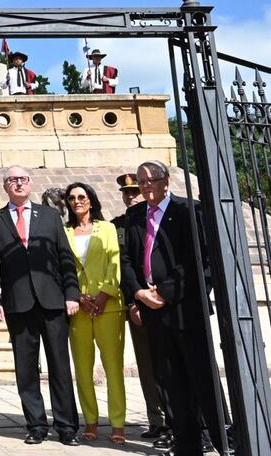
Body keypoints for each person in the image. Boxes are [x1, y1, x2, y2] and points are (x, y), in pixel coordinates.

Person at [120, 161, 226, 456]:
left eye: (150, 180)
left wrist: (164, 292)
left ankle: (223, 440)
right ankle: (186, 443)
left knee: (201, 377)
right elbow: (127, 259)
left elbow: (198, 260)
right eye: (141, 182)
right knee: (170, 381)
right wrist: (139, 293)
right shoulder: (135, 214)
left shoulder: (187, 210)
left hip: (183, 307)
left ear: (166, 181)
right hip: (152, 309)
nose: (145, 186)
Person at [0, 166, 81, 446]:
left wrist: (71, 294)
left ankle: (66, 425)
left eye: (22, 179)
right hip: (17, 303)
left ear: (30, 183)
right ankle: (36, 425)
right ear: (5, 186)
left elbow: (65, 258)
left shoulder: (50, 216)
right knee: (26, 369)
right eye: (12, 180)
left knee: (60, 366)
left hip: (52, 302)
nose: (18, 184)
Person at [63, 182, 126, 444]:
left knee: (113, 367)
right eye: (72, 198)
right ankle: (90, 419)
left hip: (108, 306)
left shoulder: (108, 228)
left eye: (82, 196)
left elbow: (115, 264)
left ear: (91, 200)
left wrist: (102, 296)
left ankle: (118, 422)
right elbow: (62, 267)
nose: (77, 201)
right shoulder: (64, 232)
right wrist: (78, 295)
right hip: (78, 307)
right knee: (82, 367)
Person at [112, 173, 170, 443]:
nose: (131, 196)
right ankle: (157, 419)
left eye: (135, 191)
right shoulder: (118, 225)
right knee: (147, 366)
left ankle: (183, 420)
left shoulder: (164, 216)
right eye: (127, 193)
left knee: (172, 364)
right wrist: (132, 301)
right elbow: (122, 268)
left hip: (167, 301)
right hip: (137, 303)